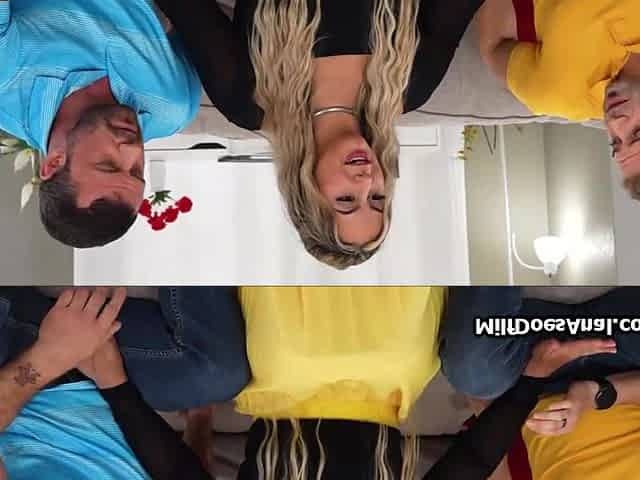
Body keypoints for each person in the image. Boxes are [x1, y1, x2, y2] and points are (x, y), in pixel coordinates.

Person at [77, 286, 609, 480]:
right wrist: (531, 379)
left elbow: (174, 471)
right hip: (371, 377)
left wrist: (114, 385)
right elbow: (469, 463)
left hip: (297, 375)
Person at [155, 0, 485, 269]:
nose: (366, 181)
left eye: (346, 200)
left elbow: (187, 8)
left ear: (306, 190)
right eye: (377, 198)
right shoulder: (407, 86)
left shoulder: (249, 101)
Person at [0, 0, 201, 248]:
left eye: (108, 165)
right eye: (136, 171)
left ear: (54, 162)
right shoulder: (170, 107)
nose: (133, 150)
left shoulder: (6, 78)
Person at [0, 287, 250, 479]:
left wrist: (52, 354)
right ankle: (185, 235)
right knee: (217, 373)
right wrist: (115, 383)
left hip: (20, 379)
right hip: (106, 387)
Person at [440, 287, 640, 480]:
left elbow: (482, 455)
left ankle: (496, 265)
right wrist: (595, 395)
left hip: (537, 373)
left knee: (472, 374)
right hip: (623, 364)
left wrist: (531, 379)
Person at [476, 0, 640, 199]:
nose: (615, 122)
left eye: (615, 142)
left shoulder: (563, 95)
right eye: (637, 133)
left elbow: (492, 46)